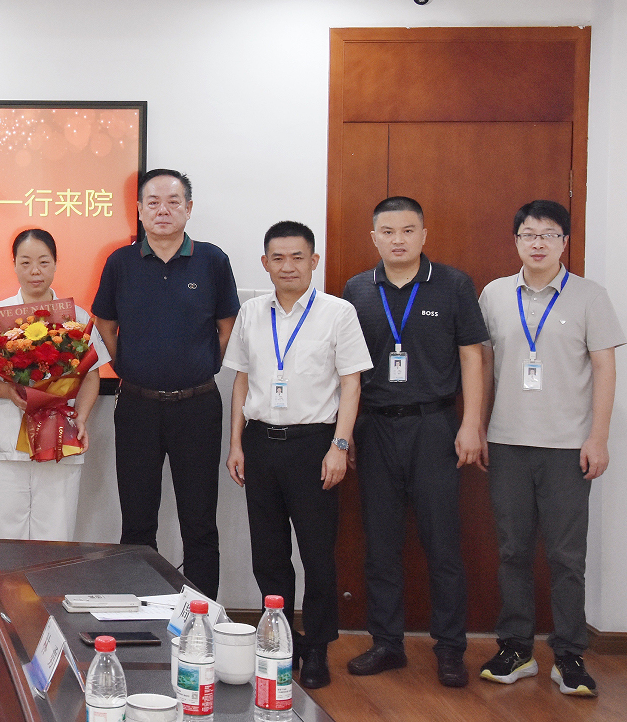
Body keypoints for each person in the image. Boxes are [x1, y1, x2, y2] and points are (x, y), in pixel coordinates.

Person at [477, 200, 623, 698]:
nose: (538, 243)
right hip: (507, 443)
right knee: (512, 550)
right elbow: (481, 366)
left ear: (564, 241)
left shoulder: (590, 296)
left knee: (566, 556)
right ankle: (516, 649)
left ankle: (569, 655)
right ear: (516, 240)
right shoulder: (495, 294)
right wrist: (478, 427)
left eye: (549, 234)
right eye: (528, 234)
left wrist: (598, 437)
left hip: (568, 448)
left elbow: (605, 368)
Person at [340, 196, 487, 688]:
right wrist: (346, 433)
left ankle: (450, 649)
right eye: (388, 231)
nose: (398, 239)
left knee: (442, 544)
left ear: (424, 235)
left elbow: (472, 356)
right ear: (374, 238)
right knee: (380, 545)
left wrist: (471, 424)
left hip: (435, 427)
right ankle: (387, 643)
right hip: (376, 427)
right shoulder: (357, 289)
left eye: (408, 230)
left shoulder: (453, 284)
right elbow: (347, 369)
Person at [224, 221, 372, 689]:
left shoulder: (338, 313)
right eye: (278, 258)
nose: (287, 266)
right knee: (269, 555)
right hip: (261, 444)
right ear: (265, 263)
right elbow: (241, 380)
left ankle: (319, 646)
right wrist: (235, 443)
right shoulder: (251, 313)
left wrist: (339, 446)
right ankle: (279, 642)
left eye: (297, 257)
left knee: (317, 554)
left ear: (314, 261)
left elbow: (351, 383)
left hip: (315, 445)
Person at [91, 169, 239, 599]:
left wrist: (202, 363)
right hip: (137, 406)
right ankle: (141, 612)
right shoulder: (120, 262)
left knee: (200, 522)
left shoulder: (212, 260)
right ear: (138, 209)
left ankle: (202, 618)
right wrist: (129, 365)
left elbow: (227, 327)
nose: (162, 210)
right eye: (152, 202)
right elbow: (105, 323)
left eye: (173, 202)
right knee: (137, 522)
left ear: (189, 209)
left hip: (198, 406)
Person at [0, 228, 109, 541]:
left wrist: (81, 419)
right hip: (5, 442)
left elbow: (92, 375)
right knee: (5, 537)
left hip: (59, 435)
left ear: (56, 264)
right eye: (26, 262)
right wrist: (8, 391)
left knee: (55, 536)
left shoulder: (76, 316)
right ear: (14, 265)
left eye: (44, 262)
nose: (35, 271)